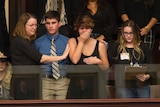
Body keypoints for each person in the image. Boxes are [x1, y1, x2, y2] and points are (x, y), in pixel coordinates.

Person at [107, 20, 152, 98]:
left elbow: (151, 66)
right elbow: (107, 64)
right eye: (126, 33)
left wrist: (146, 76)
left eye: (131, 33)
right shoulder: (116, 46)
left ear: (136, 33)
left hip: (141, 85)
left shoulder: (143, 47)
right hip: (123, 86)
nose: (128, 36)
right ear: (122, 33)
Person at [68, 15, 109, 98]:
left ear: (91, 29)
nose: (84, 31)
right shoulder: (73, 41)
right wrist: (81, 42)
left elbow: (106, 67)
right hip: (77, 85)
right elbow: (75, 60)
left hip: (95, 84)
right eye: (81, 28)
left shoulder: (100, 44)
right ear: (78, 29)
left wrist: (98, 61)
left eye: (87, 28)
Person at [34, 11, 70, 100]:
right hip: (45, 80)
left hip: (62, 80)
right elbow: (34, 62)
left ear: (59, 24)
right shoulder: (38, 42)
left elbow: (72, 61)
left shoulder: (67, 42)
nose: (50, 26)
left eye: (53, 23)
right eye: (48, 23)